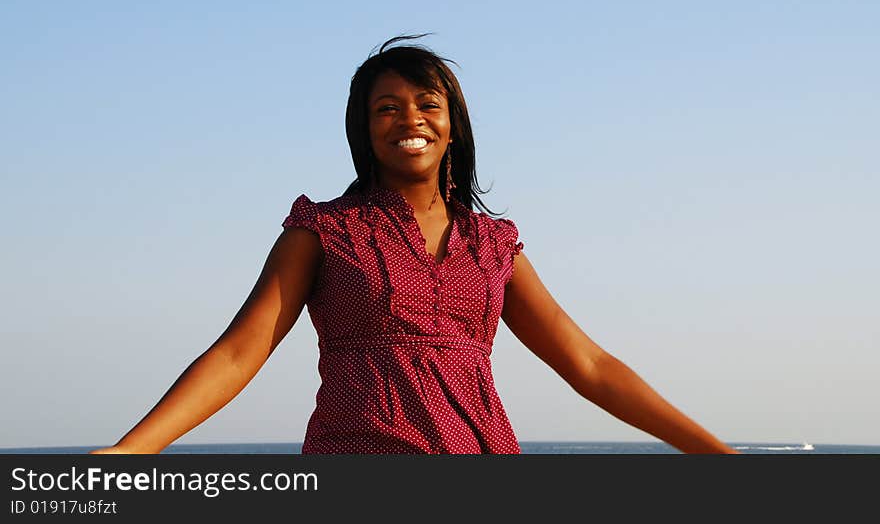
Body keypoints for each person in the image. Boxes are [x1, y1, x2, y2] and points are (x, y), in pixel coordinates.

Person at [91, 35, 738, 455]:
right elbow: (238, 353)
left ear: (452, 124)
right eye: (386, 108)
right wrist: (128, 456)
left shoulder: (493, 247)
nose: (410, 120)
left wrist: (715, 455)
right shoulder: (322, 231)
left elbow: (590, 366)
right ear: (363, 130)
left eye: (427, 103)